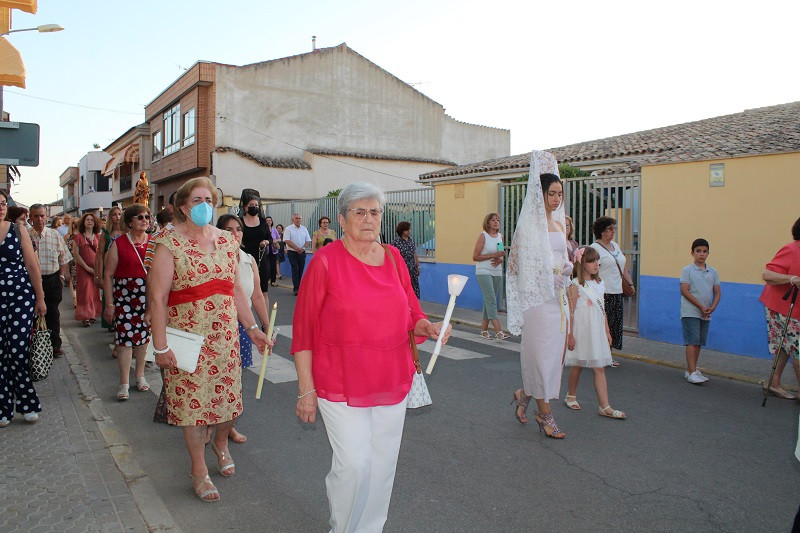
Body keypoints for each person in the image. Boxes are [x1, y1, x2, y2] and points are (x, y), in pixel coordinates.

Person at [291, 182, 450, 532]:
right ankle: (342, 526)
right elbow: (302, 332)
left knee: (382, 465)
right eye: (359, 212)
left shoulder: (393, 258)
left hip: (391, 375)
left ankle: (370, 528)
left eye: (374, 212)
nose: (368, 218)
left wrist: (427, 326)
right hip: (340, 379)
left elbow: (411, 311)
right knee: (354, 464)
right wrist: (306, 390)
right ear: (342, 220)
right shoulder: (325, 262)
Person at [148, 177, 269, 502]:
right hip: (186, 341)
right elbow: (157, 297)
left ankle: (221, 442)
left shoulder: (228, 241)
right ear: (184, 206)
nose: (204, 205)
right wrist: (160, 346)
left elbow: (235, 291)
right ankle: (198, 470)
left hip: (224, 339)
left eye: (209, 200)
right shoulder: (168, 243)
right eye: (197, 200)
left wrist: (253, 329)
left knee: (229, 405)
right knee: (193, 408)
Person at [506, 151, 571, 439]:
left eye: (559, 193)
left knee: (551, 358)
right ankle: (545, 416)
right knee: (541, 358)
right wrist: (546, 274)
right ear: (540, 194)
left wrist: (568, 267)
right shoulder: (529, 226)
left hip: (557, 301)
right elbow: (516, 263)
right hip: (537, 301)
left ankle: (524, 394)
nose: (556, 199)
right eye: (551, 193)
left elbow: (561, 257)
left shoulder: (558, 224)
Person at [217, 214, 272, 444]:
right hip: (220, 324)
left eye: (238, 229)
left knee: (235, 380)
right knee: (218, 378)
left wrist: (266, 324)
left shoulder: (248, 259)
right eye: (228, 229)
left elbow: (257, 295)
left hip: (244, 325)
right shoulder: (215, 257)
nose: (234, 233)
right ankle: (212, 423)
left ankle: (229, 426)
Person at [0, 190, 47, 427]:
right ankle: (4, 407)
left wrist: (40, 299)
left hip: (20, 298)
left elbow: (32, 265)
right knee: (1, 355)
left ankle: (27, 403)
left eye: (1, 203)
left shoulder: (17, 230)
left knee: (17, 353)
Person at [564, 246, 626, 419]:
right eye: (591, 261)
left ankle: (604, 406)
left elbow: (603, 310)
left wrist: (607, 331)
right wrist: (570, 335)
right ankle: (571, 394)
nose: (596, 264)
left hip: (596, 328)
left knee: (598, 366)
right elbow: (570, 311)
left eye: (597, 260)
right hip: (581, 329)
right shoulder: (575, 285)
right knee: (579, 363)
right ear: (582, 264)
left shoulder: (600, 283)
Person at [103, 205, 152, 400]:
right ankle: (124, 382)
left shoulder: (154, 242)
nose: (144, 220)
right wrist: (109, 304)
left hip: (147, 296)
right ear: (130, 221)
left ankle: (140, 375)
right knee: (124, 340)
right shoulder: (118, 243)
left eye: (147, 216)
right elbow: (108, 275)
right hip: (124, 297)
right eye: (140, 217)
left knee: (143, 338)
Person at [760, 217, 800, 399]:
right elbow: (767, 274)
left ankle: (773, 383)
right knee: (797, 350)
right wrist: (791, 279)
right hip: (783, 307)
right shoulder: (792, 249)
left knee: (785, 346)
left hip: (796, 309)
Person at [29, 203, 72, 358]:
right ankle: (34, 345)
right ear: (30, 218)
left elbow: (64, 258)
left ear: (46, 217)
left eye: (42, 215)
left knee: (52, 313)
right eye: (36, 216)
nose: (40, 219)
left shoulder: (54, 235)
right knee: (33, 314)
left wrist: (61, 276)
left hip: (52, 279)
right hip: (32, 282)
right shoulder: (25, 235)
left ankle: (55, 345)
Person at [590, 216, 634, 364]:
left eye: (614, 229)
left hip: (617, 291)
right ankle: (601, 355)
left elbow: (623, 267)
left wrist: (630, 283)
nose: (613, 232)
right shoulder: (595, 248)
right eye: (610, 229)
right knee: (603, 324)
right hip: (603, 292)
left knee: (615, 324)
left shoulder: (615, 245)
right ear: (602, 231)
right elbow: (592, 270)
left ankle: (609, 354)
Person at [680, 238, 721, 385]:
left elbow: (717, 292)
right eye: (698, 251)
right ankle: (691, 373)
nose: (701, 254)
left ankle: (692, 369)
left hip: (705, 313)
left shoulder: (713, 272)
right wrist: (700, 306)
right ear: (692, 253)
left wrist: (712, 307)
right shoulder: (687, 270)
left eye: (704, 251)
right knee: (692, 341)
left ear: (708, 253)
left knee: (698, 342)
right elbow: (684, 290)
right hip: (691, 311)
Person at [472, 213, 509, 340]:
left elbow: (499, 254)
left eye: (498, 220)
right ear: (488, 223)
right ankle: (498, 331)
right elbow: (475, 256)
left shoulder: (500, 237)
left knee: (489, 301)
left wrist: (500, 259)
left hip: (497, 271)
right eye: (493, 220)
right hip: (483, 271)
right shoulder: (483, 236)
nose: (496, 222)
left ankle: (483, 330)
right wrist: (492, 256)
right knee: (491, 299)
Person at [239, 190, 273, 307]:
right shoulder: (240, 222)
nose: (255, 207)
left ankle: (266, 323)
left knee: (264, 292)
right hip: (244, 260)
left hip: (261, 260)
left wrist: (266, 242)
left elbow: (270, 238)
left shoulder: (263, 222)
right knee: (244, 291)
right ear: (245, 207)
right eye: (252, 205)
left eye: (257, 205)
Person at [95, 206, 123, 331]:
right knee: (109, 294)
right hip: (108, 267)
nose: (117, 216)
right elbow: (100, 255)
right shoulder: (105, 234)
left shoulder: (126, 232)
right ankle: (110, 322)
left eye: (119, 214)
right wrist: (98, 275)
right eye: (114, 214)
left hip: (122, 268)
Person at [72, 213, 103, 327]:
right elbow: (76, 254)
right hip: (83, 269)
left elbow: (101, 253)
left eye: (92, 220)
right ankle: (85, 316)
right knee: (85, 292)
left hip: (96, 269)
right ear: (83, 223)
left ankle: (92, 314)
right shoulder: (78, 237)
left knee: (95, 292)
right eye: (87, 220)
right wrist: (86, 267)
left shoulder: (98, 237)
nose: (89, 222)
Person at [392, 221, 421, 299]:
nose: (409, 231)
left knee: (414, 287)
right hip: (403, 268)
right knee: (404, 287)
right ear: (402, 231)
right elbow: (393, 257)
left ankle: (414, 305)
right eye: (406, 230)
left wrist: (418, 266)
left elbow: (414, 253)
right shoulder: (396, 242)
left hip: (412, 268)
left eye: (409, 229)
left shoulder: (411, 240)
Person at [284, 213, 311, 295]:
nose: (298, 220)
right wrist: (296, 248)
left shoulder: (304, 229)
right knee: (295, 268)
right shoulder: (289, 229)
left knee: (301, 269)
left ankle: (300, 286)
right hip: (292, 252)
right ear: (293, 219)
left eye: (299, 218)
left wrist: (302, 248)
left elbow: (308, 240)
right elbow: (287, 240)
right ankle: (296, 287)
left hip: (302, 252)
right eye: (296, 218)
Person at [64, 218, 79, 308]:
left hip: (80, 259)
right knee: (72, 279)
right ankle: (74, 299)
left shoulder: (82, 235)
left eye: (78, 223)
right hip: (71, 259)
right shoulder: (67, 236)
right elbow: (64, 250)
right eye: (74, 223)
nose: (76, 224)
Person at [265, 216, 280, 287]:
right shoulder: (263, 230)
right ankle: (266, 279)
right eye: (267, 220)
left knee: (273, 266)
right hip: (265, 250)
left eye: (270, 220)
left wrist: (274, 241)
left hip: (273, 250)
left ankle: (273, 281)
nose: (268, 221)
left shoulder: (274, 230)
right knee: (266, 266)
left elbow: (279, 239)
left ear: (272, 222)